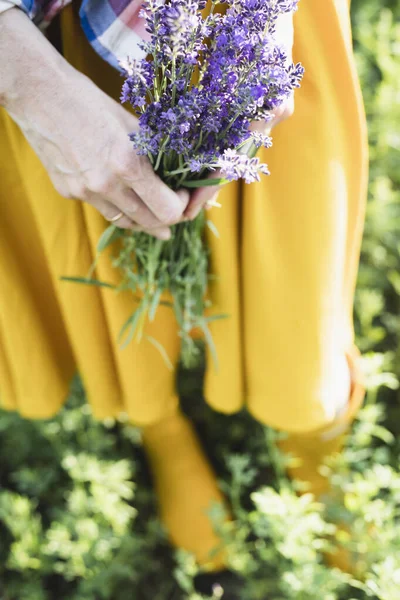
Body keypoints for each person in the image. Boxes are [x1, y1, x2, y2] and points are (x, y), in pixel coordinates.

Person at [0, 0, 368, 596]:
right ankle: (160, 425)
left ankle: (308, 434)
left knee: (295, 266)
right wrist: (25, 79)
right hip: (52, 38)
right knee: (113, 268)